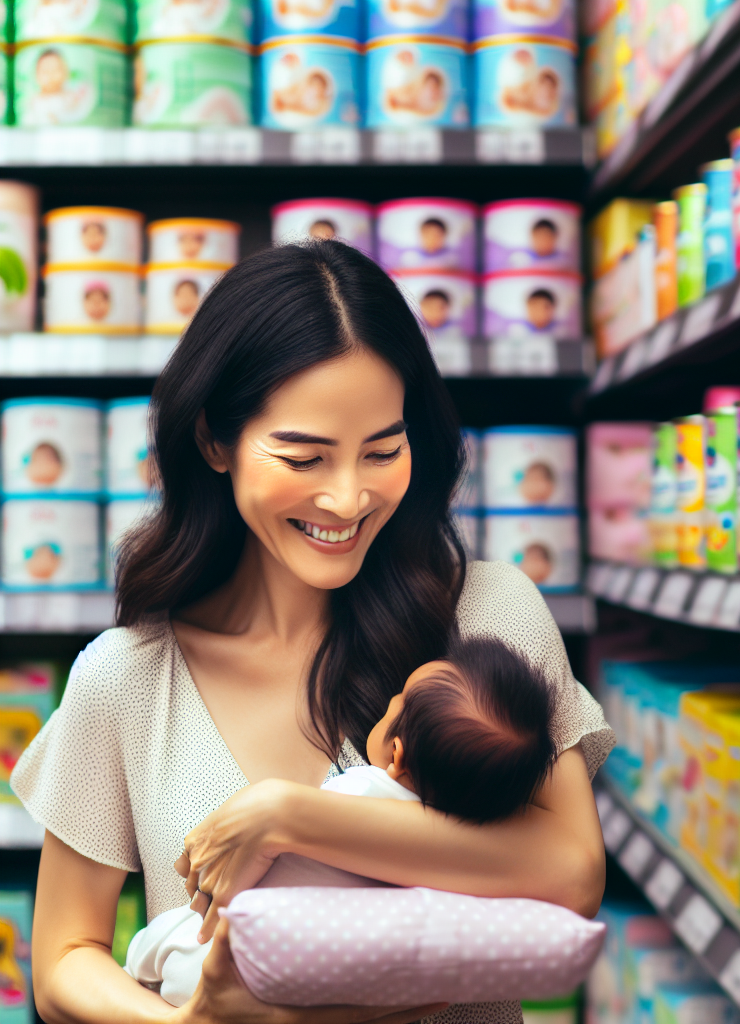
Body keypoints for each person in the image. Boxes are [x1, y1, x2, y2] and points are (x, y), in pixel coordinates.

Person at [12, 239, 611, 1024]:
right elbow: (61, 960)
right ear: (214, 441)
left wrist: (291, 817)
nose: (348, 497)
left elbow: (569, 873)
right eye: (304, 455)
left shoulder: (489, 617)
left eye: (383, 450)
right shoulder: (128, 677)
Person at [126, 632, 556, 1007]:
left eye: (397, 702)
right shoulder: (455, 858)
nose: (388, 702)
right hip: (317, 978)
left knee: (172, 931)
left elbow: (255, 867)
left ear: (397, 754)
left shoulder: (363, 794)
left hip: (222, 962)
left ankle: (139, 961)